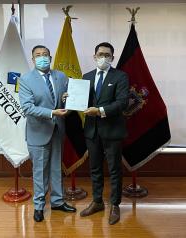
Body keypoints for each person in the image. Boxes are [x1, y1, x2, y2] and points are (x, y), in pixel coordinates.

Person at [19, 45, 76, 222]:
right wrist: (52, 113)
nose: (42, 57)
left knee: (56, 169)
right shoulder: (26, 79)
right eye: (38, 55)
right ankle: (39, 206)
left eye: (45, 55)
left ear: (50, 58)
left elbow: (65, 100)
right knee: (40, 172)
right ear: (33, 59)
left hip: (58, 130)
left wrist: (67, 99)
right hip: (38, 132)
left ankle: (58, 202)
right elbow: (27, 108)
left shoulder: (60, 76)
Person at [80, 42, 129, 225]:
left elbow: (122, 102)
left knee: (115, 169)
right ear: (94, 56)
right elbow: (81, 101)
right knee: (95, 169)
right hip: (92, 132)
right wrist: (68, 98)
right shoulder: (87, 77)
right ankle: (98, 201)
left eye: (107, 55)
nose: (103, 58)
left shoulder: (121, 76)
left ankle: (115, 205)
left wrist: (99, 110)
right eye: (100, 54)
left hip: (112, 131)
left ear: (112, 58)